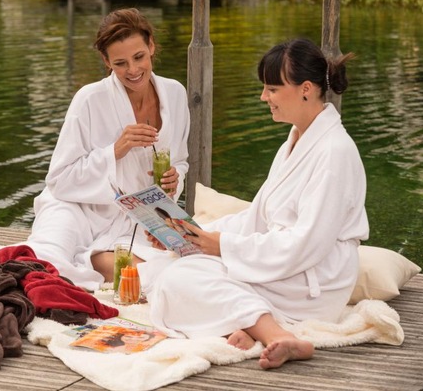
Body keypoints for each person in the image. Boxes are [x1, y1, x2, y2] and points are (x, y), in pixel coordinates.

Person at [0, 8, 191, 292]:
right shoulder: (90, 100)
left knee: (155, 275)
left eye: (139, 57)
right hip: (75, 206)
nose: (132, 70)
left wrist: (174, 177)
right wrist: (114, 151)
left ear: (151, 46)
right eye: (120, 63)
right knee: (43, 266)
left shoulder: (175, 93)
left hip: (135, 217)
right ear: (106, 62)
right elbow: (60, 179)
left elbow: (179, 160)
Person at [140, 37, 368, 369]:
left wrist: (221, 246)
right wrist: (188, 233)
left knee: (181, 280)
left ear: (306, 89)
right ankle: (244, 325)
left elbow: (306, 244)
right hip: (280, 263)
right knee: (165, 270)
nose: (264, 97)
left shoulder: (335, 152)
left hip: (310, 277)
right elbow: (256, 219)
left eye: (272, 89)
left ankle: (276, 335)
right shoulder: (295, 140)